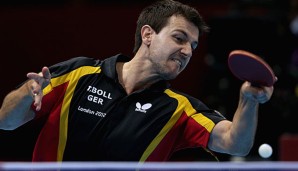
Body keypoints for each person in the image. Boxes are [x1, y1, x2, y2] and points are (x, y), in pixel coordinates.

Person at [0, 0, 274, 162]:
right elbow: (5, 121)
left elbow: (236, 143)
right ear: (147, 35)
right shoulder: (78, 74)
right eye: (179, 38)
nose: (188, 51)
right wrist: (26, 92)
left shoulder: (179, 110)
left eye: (193, 45)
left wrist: (248, 100)